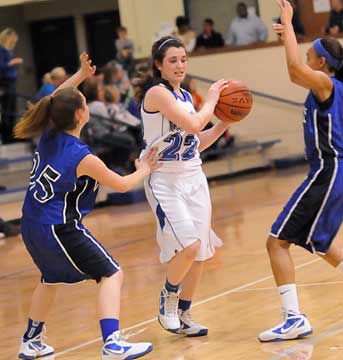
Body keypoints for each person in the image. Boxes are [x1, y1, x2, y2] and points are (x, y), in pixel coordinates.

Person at [14, 52, 158, 359]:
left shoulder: (49, 134)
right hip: (58, 226)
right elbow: (120, 185)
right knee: (112, 273)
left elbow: (54, 99)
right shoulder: (82, 156)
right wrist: (145, 167)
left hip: (30, 224)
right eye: (80, 97)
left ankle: (31, 341)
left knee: (49, 278)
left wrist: (80, 74)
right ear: (81, 114)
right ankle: (113, 343)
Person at [136, 36, 232, 336]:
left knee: (200, 251)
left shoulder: (187, 98)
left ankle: (185, 313)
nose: (180, 65)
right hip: (164, 179)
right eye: (173, 60)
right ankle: (168, 298)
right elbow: (192, 125)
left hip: (193, 175)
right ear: (159, 65)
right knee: (188, 246)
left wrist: (224, 124)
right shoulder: (157, 94)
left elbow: (195, 141)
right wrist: (214, 98)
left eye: (183, 59)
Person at [259, 0, 343, 342]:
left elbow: (294, 70)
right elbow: (297, 64)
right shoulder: (330, 87)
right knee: (317, 244)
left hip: (328, 169)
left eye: (310, 55)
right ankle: (292, 317)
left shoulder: (325, 84)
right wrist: (287, 38)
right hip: (332, 171)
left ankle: (293, 318)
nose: (305, 59)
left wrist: (290, 25)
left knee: (276, 243)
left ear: (322, 63)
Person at [0, 28, 23, 143]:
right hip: (5, 82)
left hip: (11, 82)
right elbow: (1, 66)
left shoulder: (7, 51)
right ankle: (7, 137)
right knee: (7, 109)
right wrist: (13, 62)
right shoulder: (1, 50)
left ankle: (11, 135)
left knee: (12, 108)